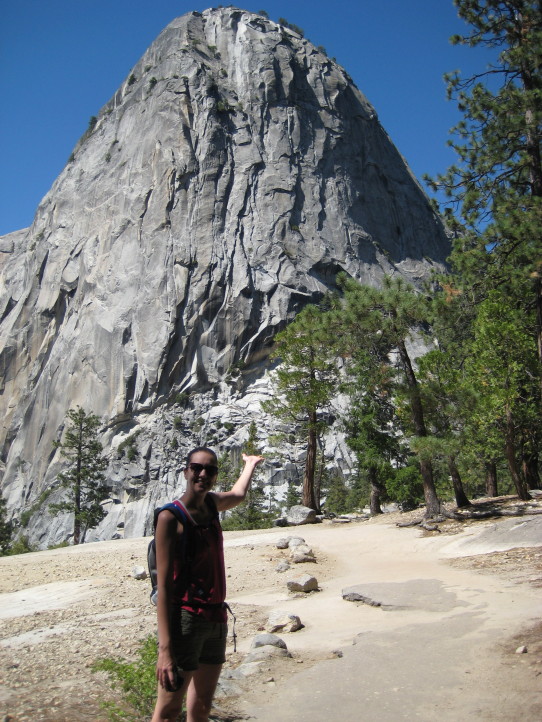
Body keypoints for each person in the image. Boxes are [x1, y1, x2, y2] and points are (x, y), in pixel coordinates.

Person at [151, 446, 264, 722]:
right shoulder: (170, 518)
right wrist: (165, 650)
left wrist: (249, 464)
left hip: (216, 618)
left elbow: (238, 495)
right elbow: (164, 587)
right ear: (186, 471)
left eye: (210, 470)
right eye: (197, 468)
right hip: (186, 621)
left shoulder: (211, 504)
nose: (203, 474)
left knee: (201, 707)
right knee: (167, 711)